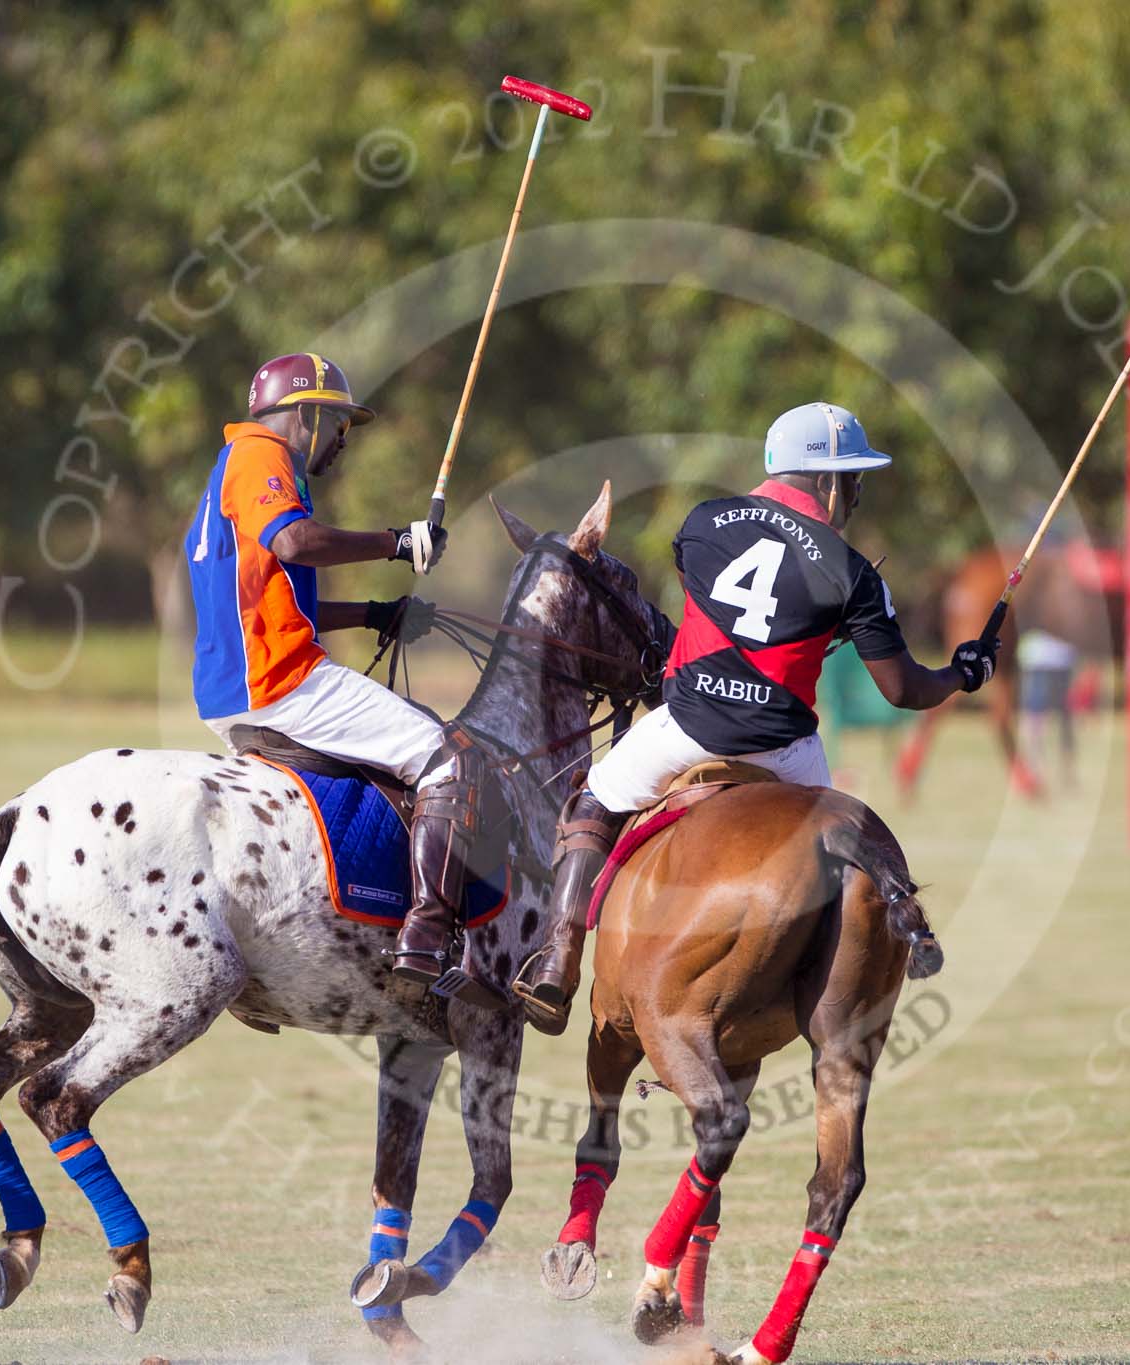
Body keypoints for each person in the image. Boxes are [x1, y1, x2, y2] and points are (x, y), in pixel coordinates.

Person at [511, 401, 1002, 1034]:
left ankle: (558, 959)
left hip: (685, 730)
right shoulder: (850, 571)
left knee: (595, 800)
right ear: (827, 480)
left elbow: (730, 613)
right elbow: (905, 691)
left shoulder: (701, 522)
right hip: (782, 752)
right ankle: (902, 930)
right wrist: (967, 672)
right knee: (855, 838)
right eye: (853, 478)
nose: (854, 493)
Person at [187, 351, 481, 986]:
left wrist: (376, 614)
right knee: (448, 755)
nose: (342, 439)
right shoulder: (261, 453)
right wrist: (394, 542)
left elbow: (283, 603)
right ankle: (428, 935)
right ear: (305, 417)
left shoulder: (226, 473)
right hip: (280, 683)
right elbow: (296, 542)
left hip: (235, 689)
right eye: (339, 423)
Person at [1016, 625, 1079, 794]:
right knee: (1036, 719)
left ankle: (1064, 772)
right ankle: (1036, 771)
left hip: (1056, 658)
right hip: (1039, 658)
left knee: (1060, 720)